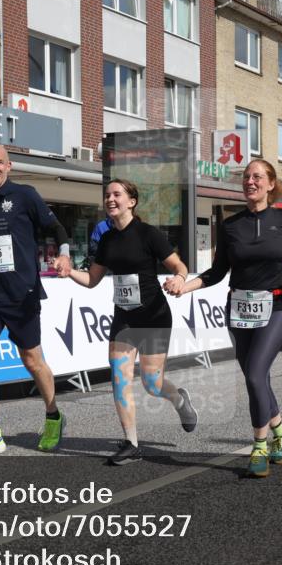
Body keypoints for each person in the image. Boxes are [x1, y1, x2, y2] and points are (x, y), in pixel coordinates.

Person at [176, 159, 282, 478]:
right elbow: (216, 272)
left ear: (270, 184)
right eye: (247, 177)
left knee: (254, 374)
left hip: (277, 307)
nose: (250, 181)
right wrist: (186, 287)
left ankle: (260, 446)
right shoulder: (230, 225)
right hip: (238, 309)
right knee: (258, 378)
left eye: (257, 177)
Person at [58, 179, 197, 465]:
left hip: (154, 316)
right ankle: (131, 443)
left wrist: (180, 279)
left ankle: (179, 399)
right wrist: (70, 271)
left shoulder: (148, 234)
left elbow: (179, 265)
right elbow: (93, 280)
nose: (110, 199)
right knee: (120, 379)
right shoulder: (107, 239)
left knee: (151, 383)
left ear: (131, 201)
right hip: (124, 317)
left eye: (116, 194)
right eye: (107, 194)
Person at [0, 144, 73, 458]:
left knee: (32, 361)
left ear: (8, 165)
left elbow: (56, 226)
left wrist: (63, 254)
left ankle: (53, 415)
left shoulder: (25, 195)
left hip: (22, 293)